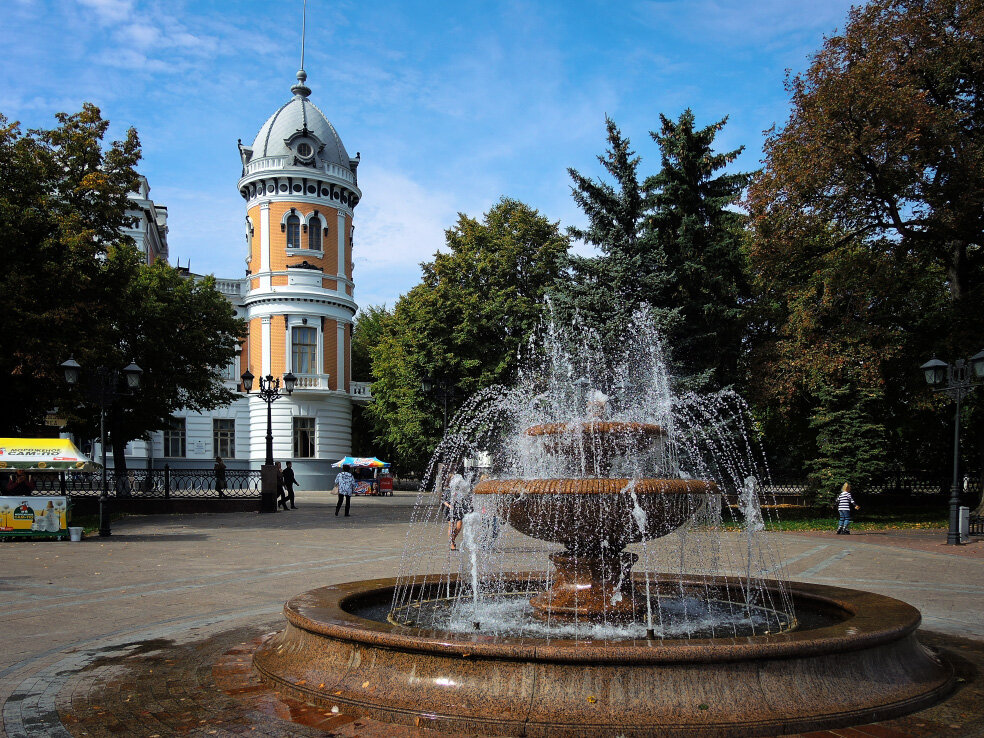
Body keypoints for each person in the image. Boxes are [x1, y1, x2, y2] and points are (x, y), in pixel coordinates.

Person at [442, 471, 473, 550]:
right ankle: (452, 543)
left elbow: (464, 498)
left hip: (459, 509)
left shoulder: (460, 490)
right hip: (450, 509)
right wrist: (449, 506)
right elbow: (443, 500)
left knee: (459, 527)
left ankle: (452, 539)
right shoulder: (448, 490)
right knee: (451, 526)